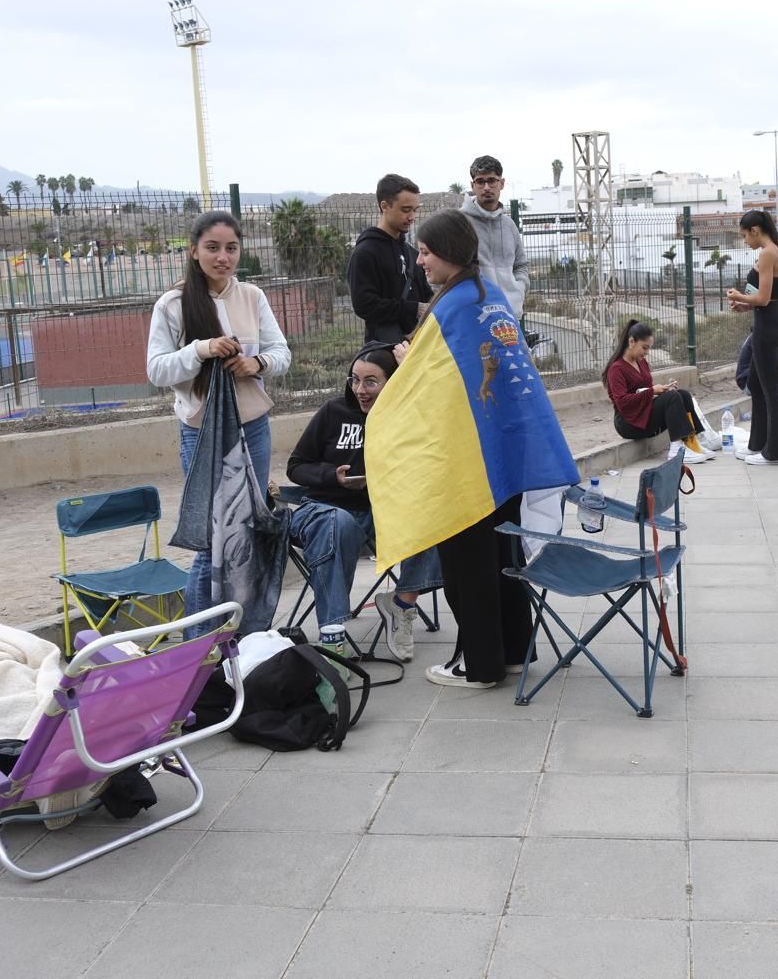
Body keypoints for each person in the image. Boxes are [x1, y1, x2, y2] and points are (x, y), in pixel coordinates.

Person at [371, 209, 578, 689]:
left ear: (448, 253)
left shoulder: (453, 307)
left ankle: (478, 665)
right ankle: (509, 652)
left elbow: (435, 391)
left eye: (425, 252)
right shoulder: (491, 297)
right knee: (503, 558)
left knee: (468, 568)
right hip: (505, 454)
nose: (420, 261)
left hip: (467, 464)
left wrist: (407, 362)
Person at [147, 210, 292, 621]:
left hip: (254, 428)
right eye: (212, 248)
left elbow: (282, 354)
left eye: (231, 248)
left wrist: (257, 364)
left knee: (246, 530)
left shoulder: (252, 296)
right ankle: (199, 646)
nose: (223, 257)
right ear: (194, 251)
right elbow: (157, 370)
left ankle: (241, 636)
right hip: (202, 431)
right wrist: (201, 350)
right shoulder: (173, 304)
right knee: (212, 541)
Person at [285, 345, 442, 662]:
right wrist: (332, 475)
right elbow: (296, 466)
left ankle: (401, 607)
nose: (360, 389)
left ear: (393, 381)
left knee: (434, 516)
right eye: (355, 380)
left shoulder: (407, 417)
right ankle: (332, 637)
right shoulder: (333, 412)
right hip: (323, 511)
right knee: (338, 523)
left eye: (371, 381)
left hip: (382, 516)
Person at [726, 210, 778, 465]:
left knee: (769, 390)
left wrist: (737, 296)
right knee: (756, 385)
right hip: (773, 318)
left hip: (768, 325)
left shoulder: (768, 253)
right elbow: (770, 298)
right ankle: (757, 444)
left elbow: (763, 298)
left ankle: (775, 452)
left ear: (755, 229)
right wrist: (746, 305)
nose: (745, 240)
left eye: (745, 235)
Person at [605, 319, 714, 462]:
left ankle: (693, 443)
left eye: (649, 348)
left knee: (683, 395)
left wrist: (663, 390)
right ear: (631, 342)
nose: (647, 352)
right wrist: (652, 391)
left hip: (643, 414)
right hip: (628, 422)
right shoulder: (616, 369)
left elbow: (645, 391)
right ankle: (676, 450)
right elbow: (623, 403)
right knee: (672, 398)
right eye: (644, 348)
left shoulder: (642, 363)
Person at [348, 174, 432, 343]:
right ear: (385, 206)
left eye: (415, 210)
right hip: (384, 349)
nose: (412, 217)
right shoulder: (365, 253)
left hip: (418, 347)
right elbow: (364, 305)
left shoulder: (412, 253)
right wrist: (413, 309)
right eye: (406, 210)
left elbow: (426, 295)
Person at [459, 155, 530, 316]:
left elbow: (521, 265)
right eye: (480, 181)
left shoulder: (509, 225)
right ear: (472, 185)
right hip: (474, 318)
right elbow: (440, 268)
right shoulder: (459, 223)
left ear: (502, 183)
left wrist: (519, 289)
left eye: (492, 180)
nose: (486, 187)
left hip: (511, 316)